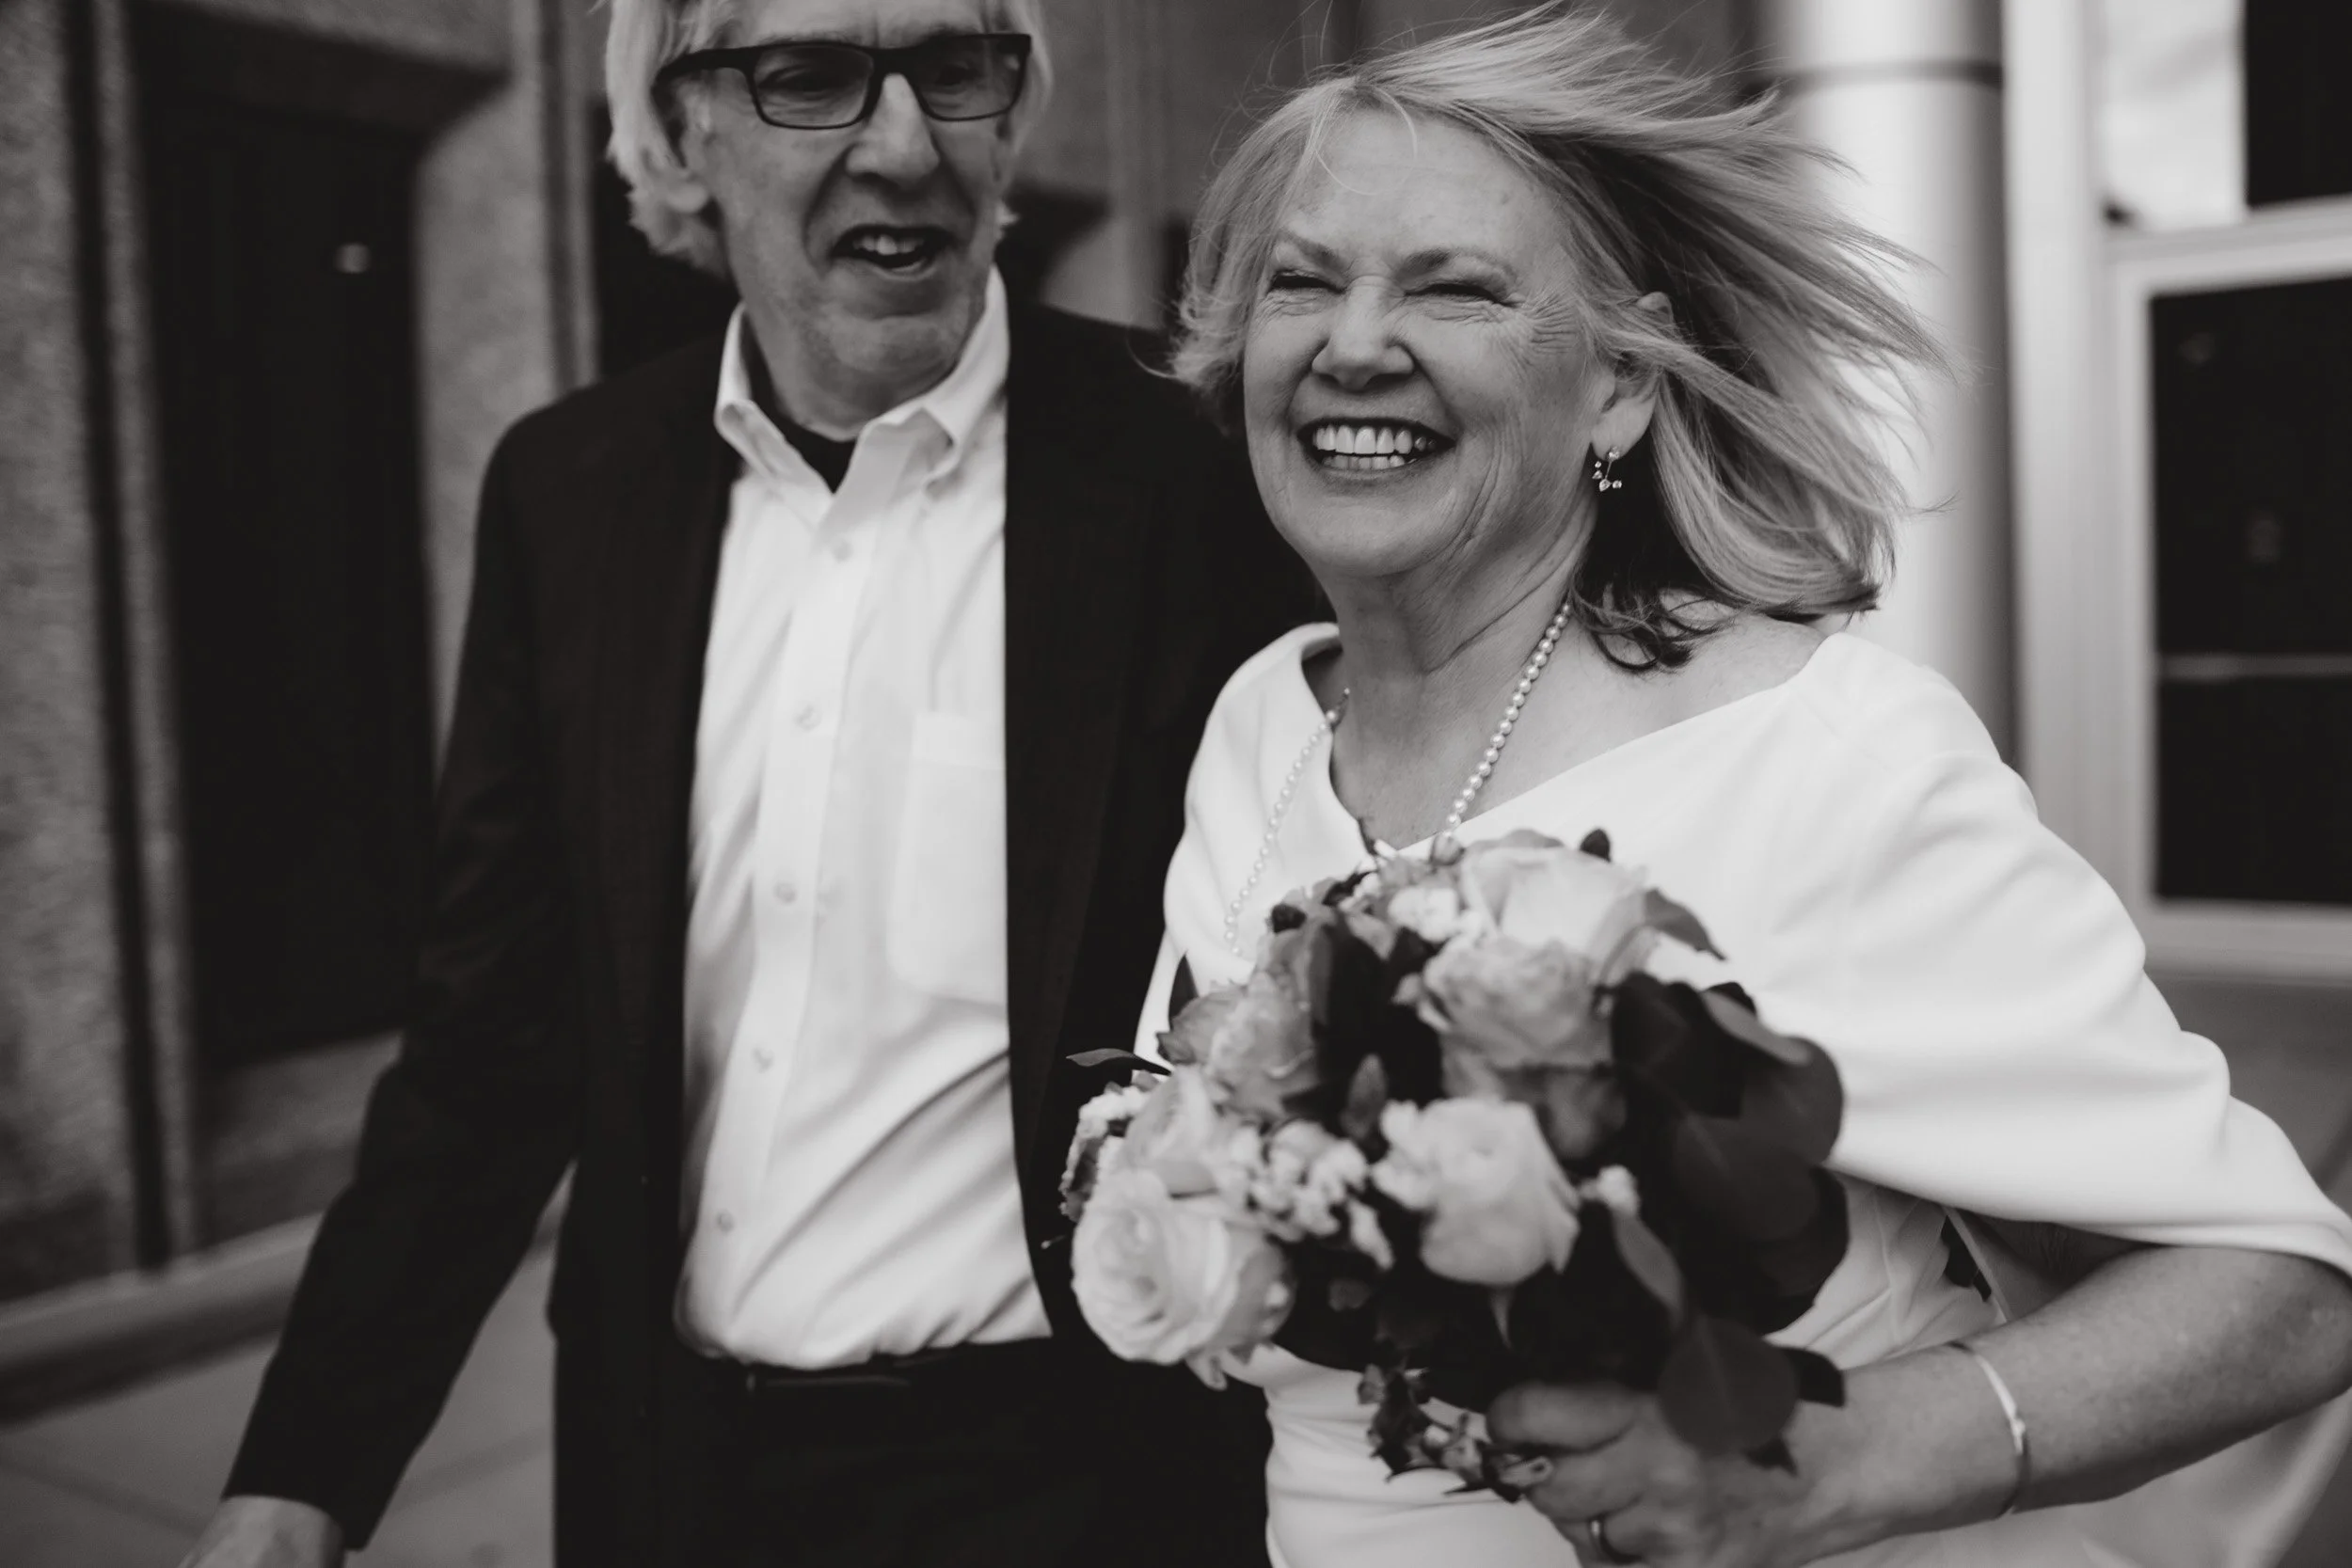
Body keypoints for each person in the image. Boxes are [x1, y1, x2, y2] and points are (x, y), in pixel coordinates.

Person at [1135, 8, 2352, 1566]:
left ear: (1624, 392)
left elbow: (2280, 1287)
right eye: (1305, 279)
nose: (1353, 342)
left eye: (1456, 287)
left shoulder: (1825, 756)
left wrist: (1837, 1462)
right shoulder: (1261, 727)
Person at [180, 2, 1307, 1565]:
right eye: (812, 78)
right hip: (672, 1480)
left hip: (1083, 1482)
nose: (905, 143)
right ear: (681, 127)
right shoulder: (568, 495)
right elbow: (488, 1047)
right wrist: (300, 1470)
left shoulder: (1197, 465)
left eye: (954, 69)